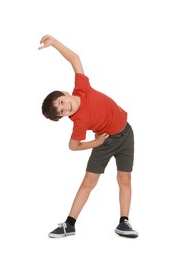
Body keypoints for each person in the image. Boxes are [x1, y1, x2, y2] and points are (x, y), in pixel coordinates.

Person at [39, 35, 139, 238]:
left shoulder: (81, 88)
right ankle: (69, 224)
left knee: (124, 178)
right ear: (64, 117)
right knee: (89, 182)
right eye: (61, 112)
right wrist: (96, 142)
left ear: (65, 94)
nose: (65, 107)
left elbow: (74, 59)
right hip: (105, 142)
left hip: (126, 134)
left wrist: (55, 43)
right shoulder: (79, 122)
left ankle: (124, 222)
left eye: (61, 102)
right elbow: (73, 146)